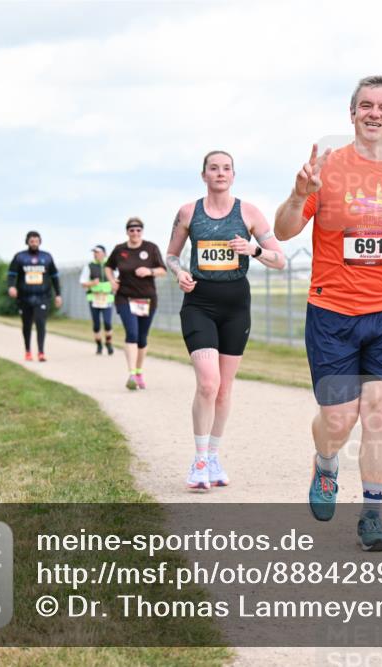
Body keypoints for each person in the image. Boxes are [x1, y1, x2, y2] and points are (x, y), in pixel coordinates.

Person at [274, 75, 382, 551]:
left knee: (380, 413)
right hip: (332, 313)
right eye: (365, 105)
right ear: (352, 113)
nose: (374, 113)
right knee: (339, 420)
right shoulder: (326, 169)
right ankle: (326, 464)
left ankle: (372, 514)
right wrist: (297, 191)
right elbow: (284, 231)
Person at [167, 150, 286, 491]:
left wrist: (254, 251)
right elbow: (172, 255)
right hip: (199, 303)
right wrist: (179, 273)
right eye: (213, 168)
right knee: (208, 382)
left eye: (226, 168)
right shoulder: (188, 212)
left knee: (224, 389)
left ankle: (215, 455)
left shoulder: (248, 213)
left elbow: (279, 260)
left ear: (234, 175)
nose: (220, 173)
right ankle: (199, 459)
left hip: (236, 307)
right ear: (203, 174)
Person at [106, 218, 166, 389]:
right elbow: (108, 266)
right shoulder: (120, 250)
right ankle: (131, 374)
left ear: (142, 231)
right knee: (131, 333)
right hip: (125, 297)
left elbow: (162, 270)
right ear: (127, 232)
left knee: (142, 338)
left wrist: (150, 270)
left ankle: (139, 371)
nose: (135, 233)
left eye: (138, 230)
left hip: (147, 299)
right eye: (132, 230)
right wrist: (111, 281)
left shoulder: (151, 248)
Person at [7, 231, 62, 361]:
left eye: (36, 241)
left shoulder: (47, 257)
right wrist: (11, 286)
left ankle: (41, 352)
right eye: (32, 241)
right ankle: (28, 351)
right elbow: (12, 274)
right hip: (24, 297)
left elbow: (54, 277)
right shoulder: (20, 257)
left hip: (42, 296)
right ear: (27, 242)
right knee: (27, 325)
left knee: (40, 323)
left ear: (40, 242)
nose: (34, 243)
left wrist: (58, 294)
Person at [79, 245, 115, 355]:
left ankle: (108, 343)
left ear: (104, 253)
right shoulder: (89, 266)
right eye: (94, 252)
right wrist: (92, 283)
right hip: (94, 298)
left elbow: (117, 279)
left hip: (107, 298)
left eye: (98, 252)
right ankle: (99, 344)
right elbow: (83, 283)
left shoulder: (111, 265)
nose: (95, 254)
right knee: (96, 324)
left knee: (108, 322)